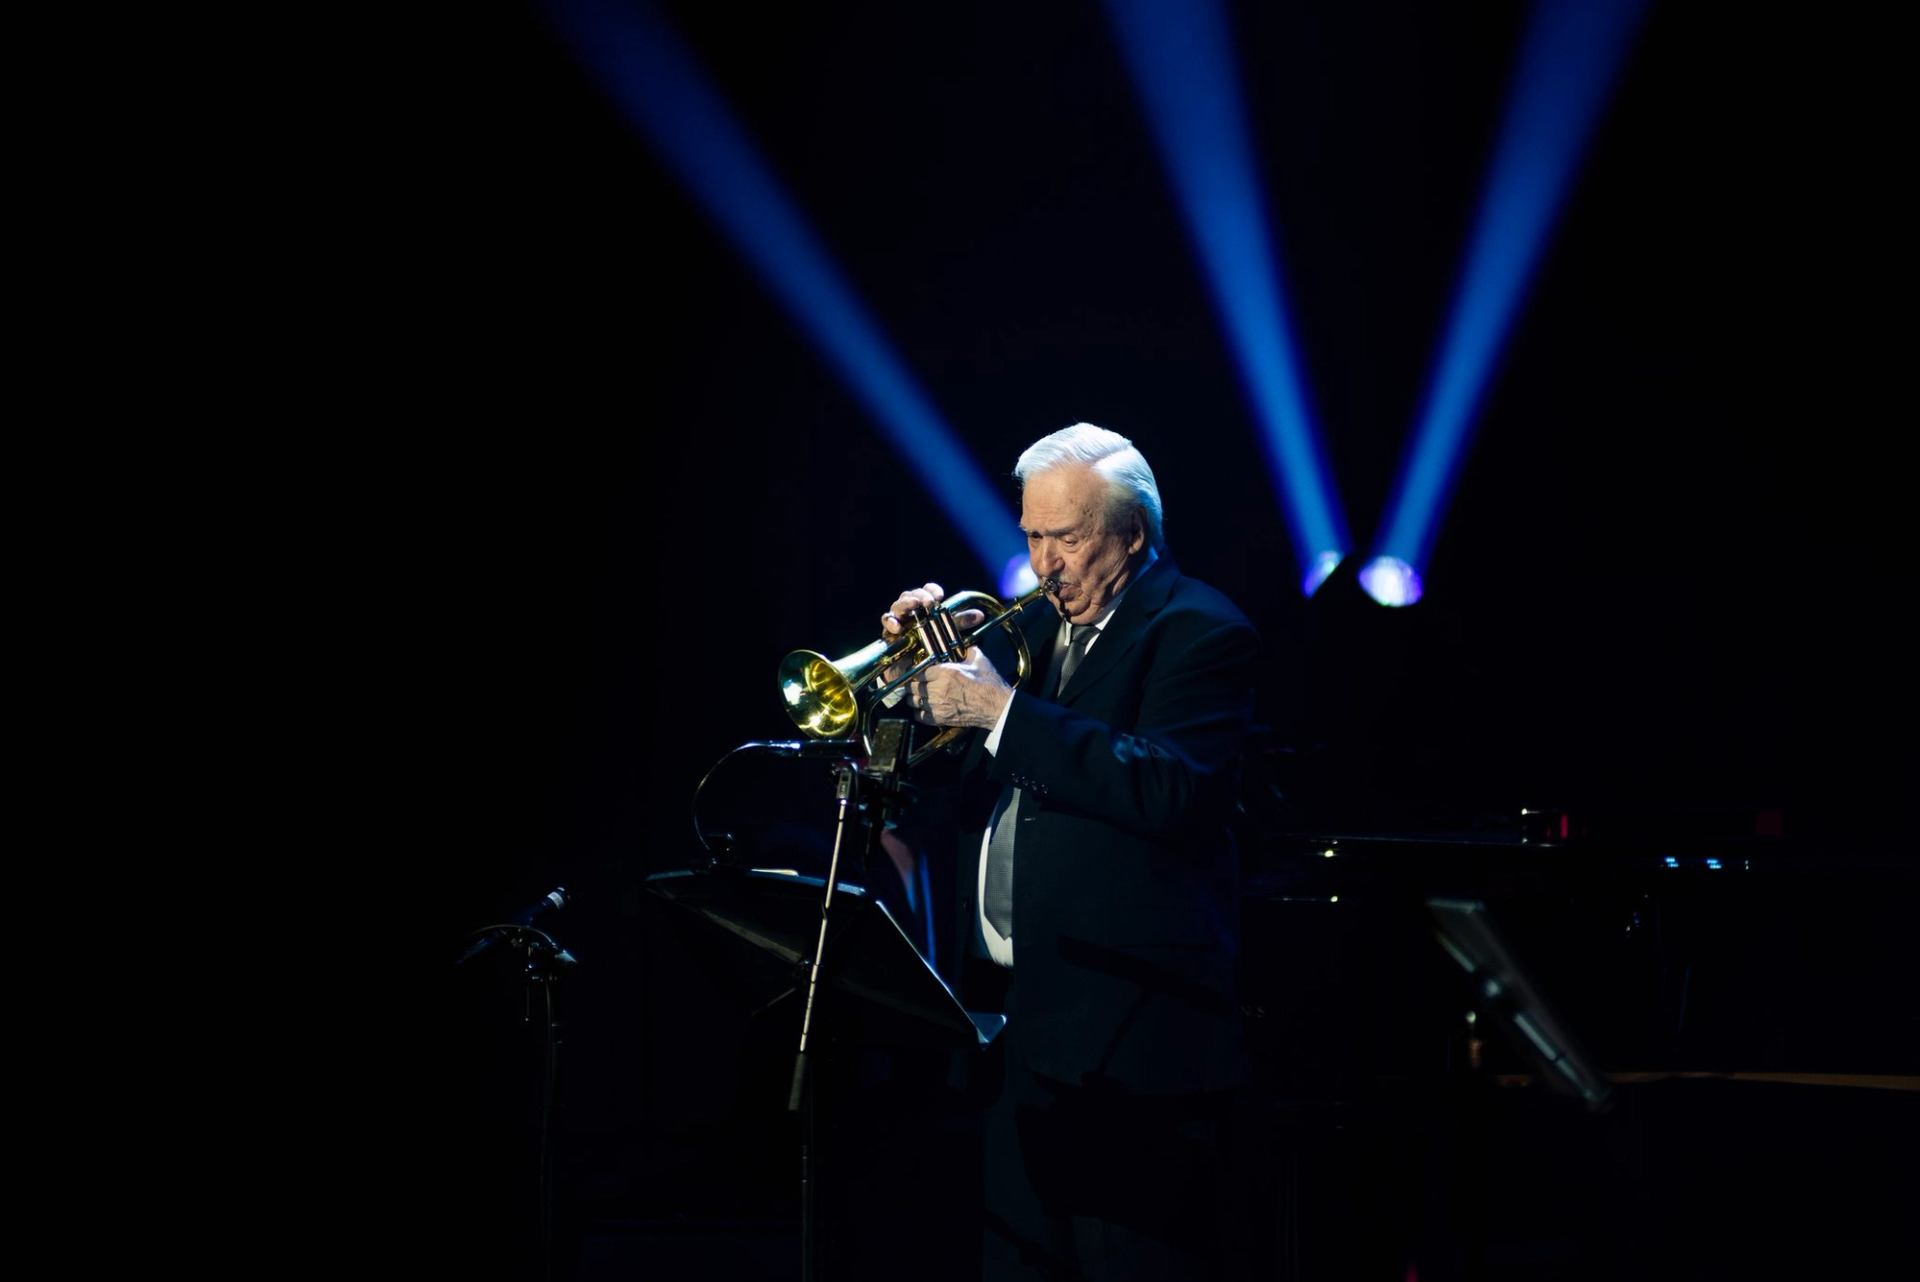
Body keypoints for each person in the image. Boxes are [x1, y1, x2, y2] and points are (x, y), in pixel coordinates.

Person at [883, 422, 1260, 1281]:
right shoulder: (1040, 636)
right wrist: (917, 689)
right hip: (1018, 1031)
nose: (1044, 564)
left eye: (1068, 537)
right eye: (1030, 536)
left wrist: (999, 712)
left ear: (1132, 533)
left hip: (1134, 1051)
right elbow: (954, 791)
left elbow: (1171, 788)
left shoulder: (1201, 631)